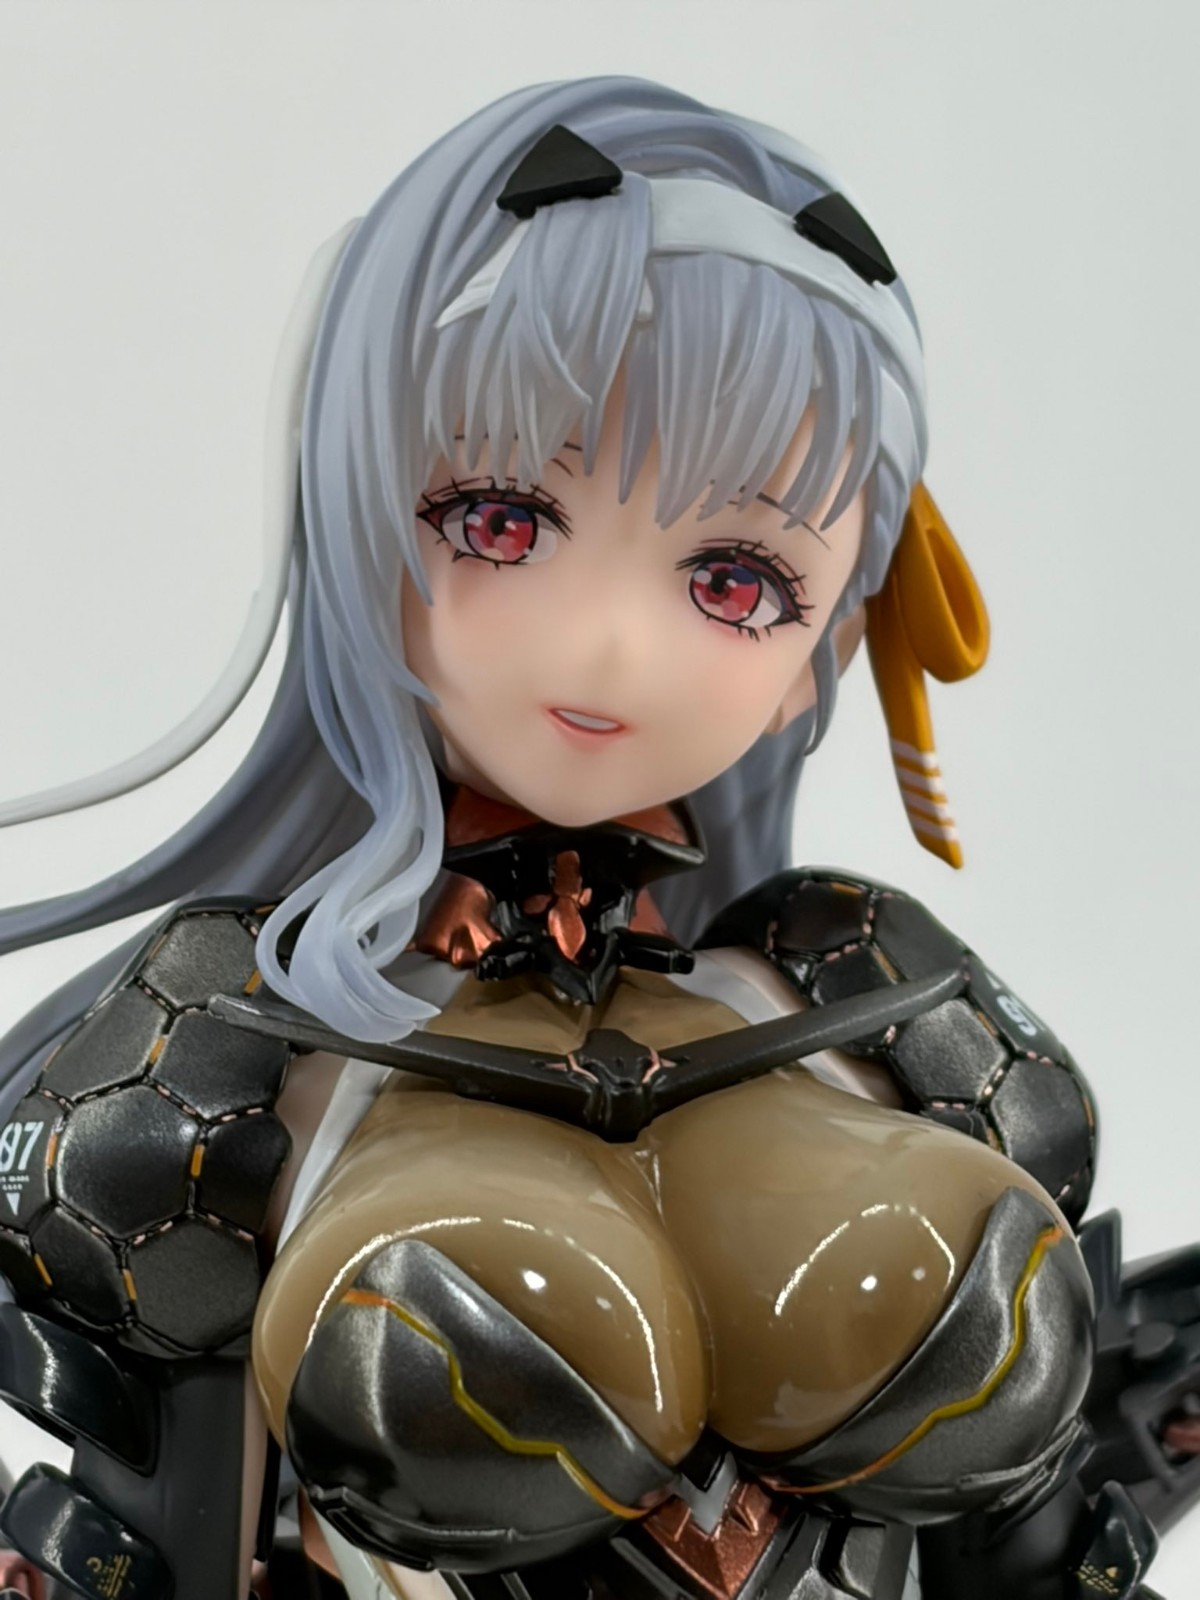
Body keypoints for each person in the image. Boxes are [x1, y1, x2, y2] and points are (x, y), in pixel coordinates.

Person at [0, 78, 1184, 1600]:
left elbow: (1019, 1499)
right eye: (502, 520)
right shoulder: (247, 1040)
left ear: (839, 633)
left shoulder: (843, 987)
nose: (613, 646)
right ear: (355, 512)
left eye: (737, 580)